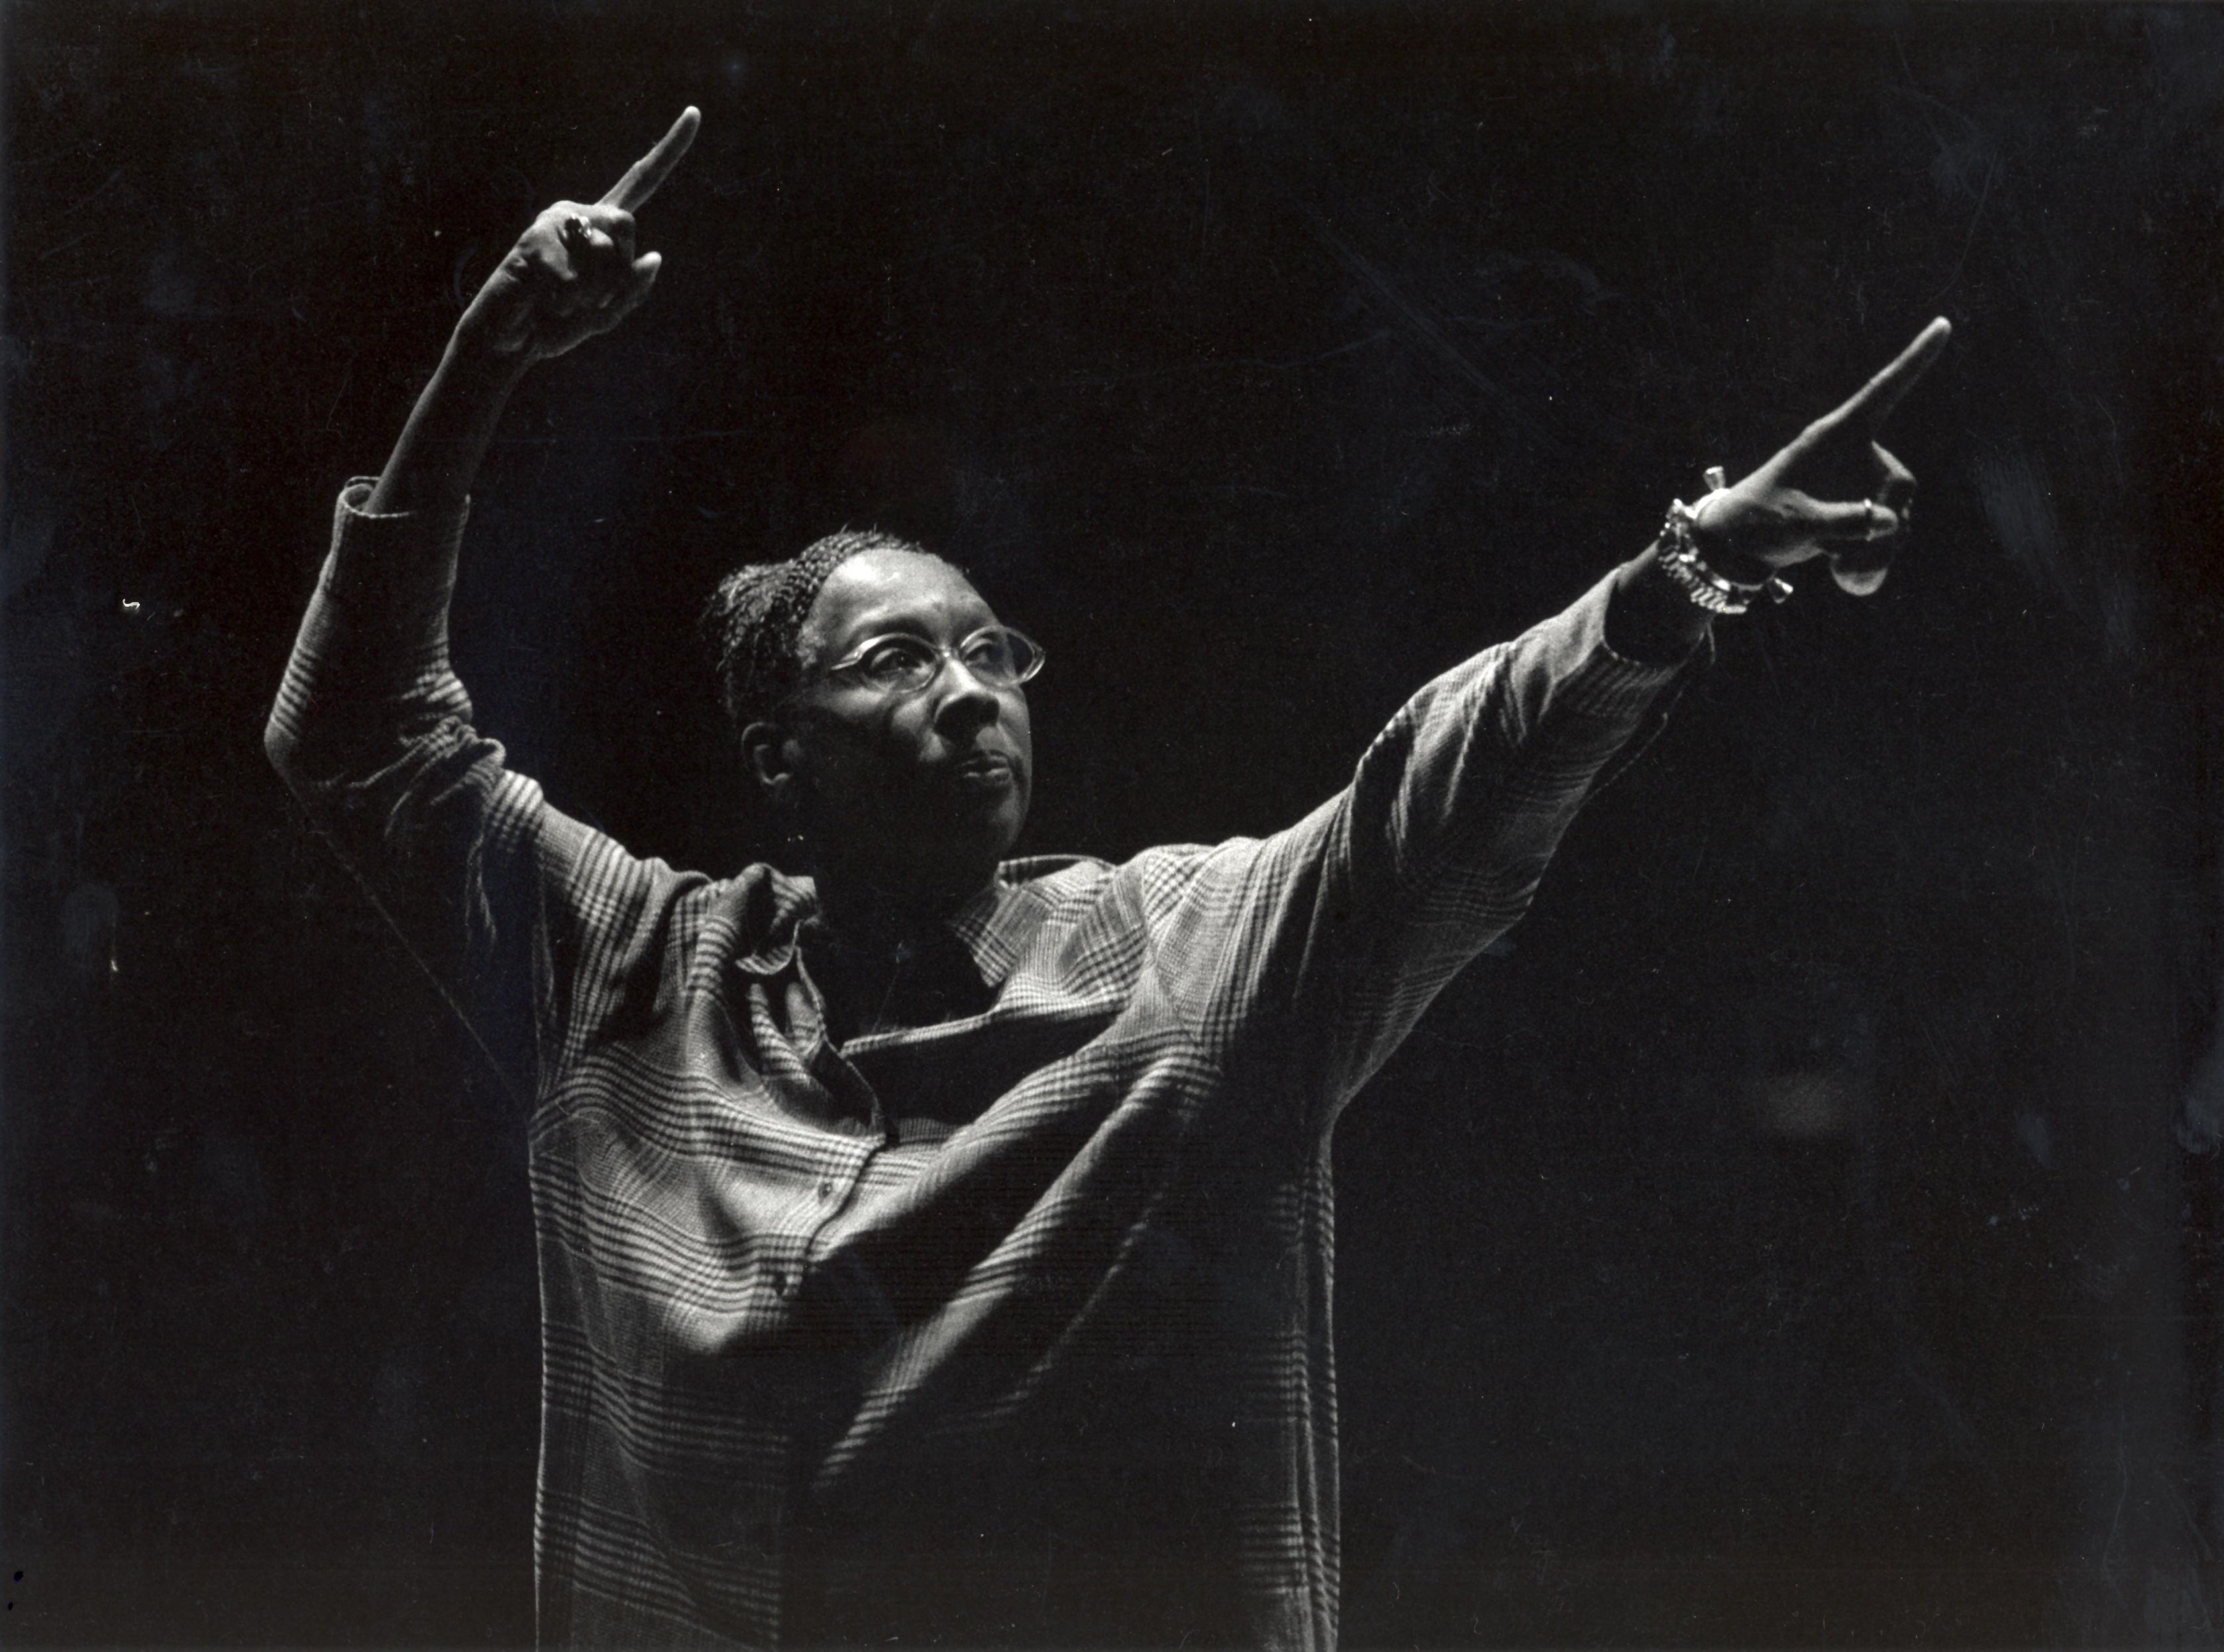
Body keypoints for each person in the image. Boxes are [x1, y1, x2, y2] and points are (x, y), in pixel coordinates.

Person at [267, 107, 1951, 1649]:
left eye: (990, 650)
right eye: (893, 659)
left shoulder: (1182, 954)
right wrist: (486, 355)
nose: (967, 687)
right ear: (777, 748)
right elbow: (358, 734)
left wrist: (1688, 567)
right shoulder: (631, 971)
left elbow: (1438, 781)